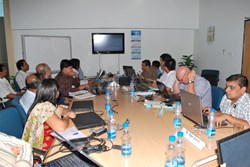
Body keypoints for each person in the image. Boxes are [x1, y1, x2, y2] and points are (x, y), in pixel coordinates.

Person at [22, 79, 76, 151]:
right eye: (57, 90)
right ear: (55, 93)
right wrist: (67, 116)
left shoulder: (45, 103)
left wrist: (66, 112)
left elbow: (62, 109)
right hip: (40, 148)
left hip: (47, 139)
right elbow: (61, 128)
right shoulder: (44, 107)